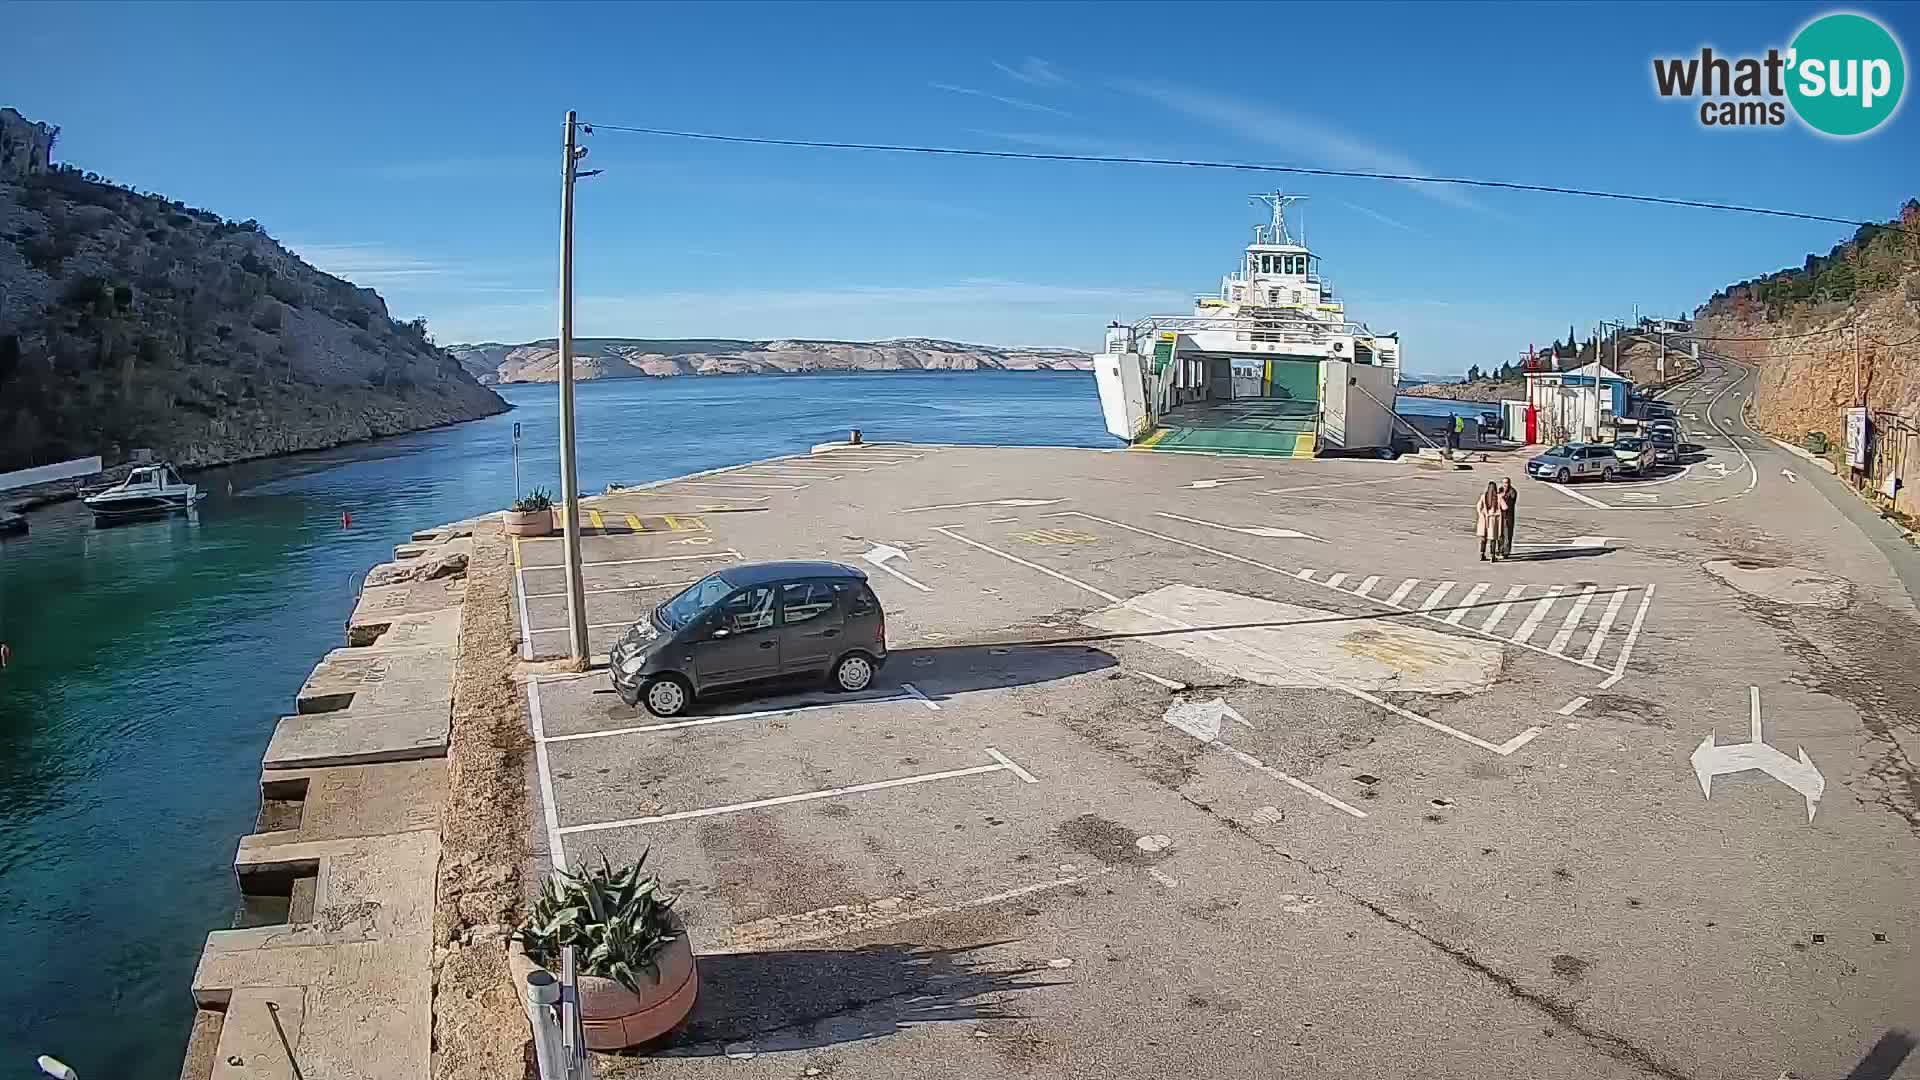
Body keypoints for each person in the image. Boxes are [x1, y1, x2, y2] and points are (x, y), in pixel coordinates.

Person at [1476, 482, 1503, 561]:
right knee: (1492, 538)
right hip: (1493, 519)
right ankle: (1492, 556)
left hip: (1484, 519)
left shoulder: (1483, 496)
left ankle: (1482, 554)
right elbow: (1505, 507)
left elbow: (1478, 506)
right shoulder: (1498, 497)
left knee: (1483, 538)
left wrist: (1481, 514)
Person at [1497, 478, 1519, 558]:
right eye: (1504, 483)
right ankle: (1500, 550)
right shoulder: (1500, 489)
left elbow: (1510, 502)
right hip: (1500, 515)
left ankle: (1506, 552)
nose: (1505, 484)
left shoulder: (1512, 491)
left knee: (1507, 534)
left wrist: (1503, 497)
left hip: (1508, 516)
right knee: (1500, 533)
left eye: (1506, 483)